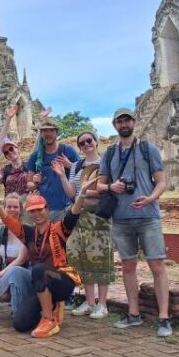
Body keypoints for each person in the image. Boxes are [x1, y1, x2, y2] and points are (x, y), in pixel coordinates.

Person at [97, 107, 171, 337]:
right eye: (119, 121)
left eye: (127, 120)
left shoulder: (148, 149)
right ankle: (133, 313)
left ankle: (164, 318)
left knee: (157, 265)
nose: (123, 124)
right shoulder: (109, 153)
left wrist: (150, 197)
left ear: (134, 122)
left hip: (148, 216)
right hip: (121, 218)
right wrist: (111, 187)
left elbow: (161, 182)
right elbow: (99, 184)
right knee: (128, 266)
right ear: (114, 125)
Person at [0, 182, 94, 338]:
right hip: (40, 283)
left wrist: (82, 193)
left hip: (61, 279)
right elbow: (8, 220)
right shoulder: (29, 233)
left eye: (39, 209)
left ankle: (49, 319)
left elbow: (73, 215)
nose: (36, 214)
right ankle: (49, 307)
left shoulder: (59, 229)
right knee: (20, 324)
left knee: (39, 269)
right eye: (32, 211)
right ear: (29, 213)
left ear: (47, 210)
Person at [53, 131, 114, 319]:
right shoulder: (77, 165)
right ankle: (89, 302)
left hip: (99, 214)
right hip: (80, 214)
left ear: (96, 142)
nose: (86, 144)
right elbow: (72, 193)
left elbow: (106, 189)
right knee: (83, 258)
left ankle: (102, 304)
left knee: (101, 259)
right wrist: (62, 176)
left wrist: (86, 193)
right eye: (82, 143)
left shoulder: (106, 163)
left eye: (89, 141)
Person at [26, 119, 79, 222]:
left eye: (51, 131)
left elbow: (83, 172)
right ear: (41, 133)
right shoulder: (36, 156)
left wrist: (70, 165)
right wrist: (35, 183)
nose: (48, 134)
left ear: (57, 132)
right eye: (45, 131)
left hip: (65, 208)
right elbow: (29, 184)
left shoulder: (67, 151)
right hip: (43, 210)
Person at [0, 193, 29, 306]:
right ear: (4, 208)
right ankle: (18, 300)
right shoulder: (0, 232)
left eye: (15, 207)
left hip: (22, 271)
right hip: (5, 271)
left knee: (14, 273)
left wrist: (0, 275)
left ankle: (18, 311)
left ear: (21, 210)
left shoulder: (26, 230)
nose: (12, 210)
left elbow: (20, 260)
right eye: (9, 207)